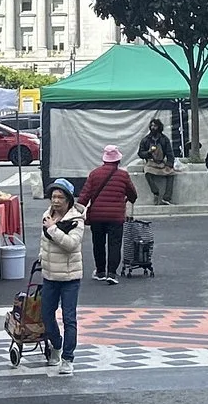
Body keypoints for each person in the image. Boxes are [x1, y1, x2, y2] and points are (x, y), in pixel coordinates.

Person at [35, 179, 86, 374]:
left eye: (60, 197)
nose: (55, 201)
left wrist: (52, 229)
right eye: (53, 196)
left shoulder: (76, 220)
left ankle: (68, 357)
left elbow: (71, 245)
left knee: (69, 318)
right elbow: (44, 242)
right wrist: (42, 256)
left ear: (68, 200)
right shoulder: (47, 215)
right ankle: (56, 345)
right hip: (49, 275)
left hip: (70, 277)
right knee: (46, 315)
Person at [78, 144, 137, 285]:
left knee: (98, 243)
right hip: (116, 217)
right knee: (114, 244)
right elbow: (133, 194)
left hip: (97, 216)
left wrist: (78, 208)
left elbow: (85, 195)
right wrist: (129, 199)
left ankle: (100, 271)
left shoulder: (94, 174)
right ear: (118, 160)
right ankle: (111, 273)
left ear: (104, 159)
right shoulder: (123, 175)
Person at [139, 117, 178, 206]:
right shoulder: (145, 139)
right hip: (150, 163)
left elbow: (170, 153)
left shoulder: (164, 139)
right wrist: (148, 153)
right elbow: (140, 153)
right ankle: (155, 192)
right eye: (152, 126)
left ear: (159, 127)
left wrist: (169, 164)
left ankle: (166, 198)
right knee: (147, 172)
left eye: (155, 126)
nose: (153, 128)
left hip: (161, 163)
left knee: (171, 174)